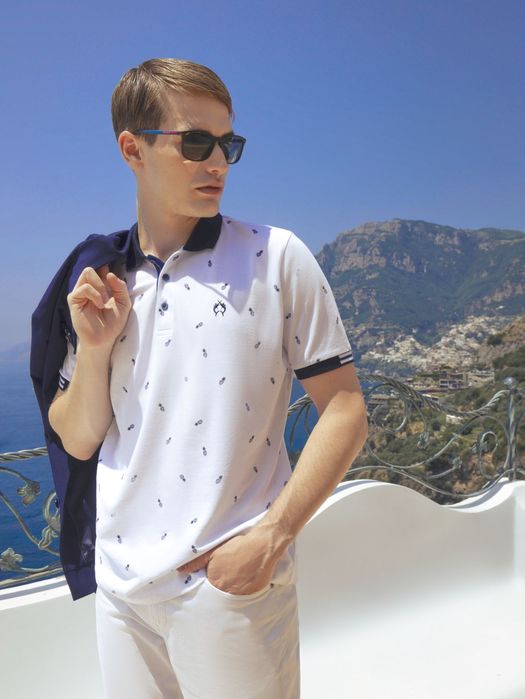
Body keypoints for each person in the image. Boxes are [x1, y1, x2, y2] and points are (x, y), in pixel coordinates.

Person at [32, 58, 368, 699]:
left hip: (227, 588)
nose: (218, 162)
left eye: (227, 144)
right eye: (195, 143)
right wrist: (96, 350)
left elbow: (345, 408)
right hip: (121, 591)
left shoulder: (276, 257)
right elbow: (79, 438)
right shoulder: (102, 279)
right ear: (132, 148)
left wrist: (272, 537)